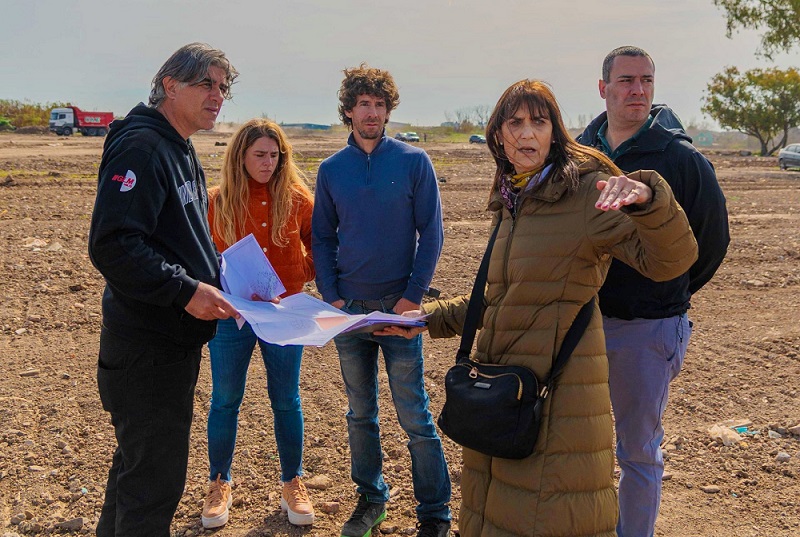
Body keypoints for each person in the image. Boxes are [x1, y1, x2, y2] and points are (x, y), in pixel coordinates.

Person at [383, 79, 699, 537]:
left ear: (555, 131)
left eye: (539, 121)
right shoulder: (512, 199)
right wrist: (430, 318)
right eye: (515, 123)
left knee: (549, 516)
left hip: (558, 397)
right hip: (501, 392)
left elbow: (671, 261)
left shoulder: (585, 191)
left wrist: (649, 201)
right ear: (498, 135)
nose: (527, 133)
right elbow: (499, 297)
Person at [577, 46, 730, 537]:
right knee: (577, 447)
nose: (637, 90)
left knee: (638, 451)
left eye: (645, 80)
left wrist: (667, 289)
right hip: (582, 326)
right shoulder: (580, 155)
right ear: (603, 89)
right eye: (626, 80)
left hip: (647, 328)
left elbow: (711, 241)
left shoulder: (681, 160)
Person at [88, 43, 239, 537]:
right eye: (206, 84)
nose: (217, 96)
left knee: (136, 474)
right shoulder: (144, 147)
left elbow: (178, 238)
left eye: (223, 87)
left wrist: (227, 278)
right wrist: (186, 291)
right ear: (170, 86)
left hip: (167, 346)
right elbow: (113, 244)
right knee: (153, 485)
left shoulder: (179, 145)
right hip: (146, 349)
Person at [311, 63, 452, 537]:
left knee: (415, 415)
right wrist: (332, 296)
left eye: (379, 104)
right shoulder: (331, 170)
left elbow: (431, 233)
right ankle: (371, 500)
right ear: (348, 111)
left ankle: (434, 514)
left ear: (388, 111)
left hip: (399, 310)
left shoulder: (414, 162)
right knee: (360, 414)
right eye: (363, 104)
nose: (371, 112)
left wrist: (412, 297)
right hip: (349, 313)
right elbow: (322, 238)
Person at [200, 119, 316, 529]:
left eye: (275, 155)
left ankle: (292, 482)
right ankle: (219, 482)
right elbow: (203, 257)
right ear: (240, 157)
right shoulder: (215, 201)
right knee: (225, 398)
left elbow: (320, 250)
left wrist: (295, 275)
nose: (268, 163)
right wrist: (227, 291)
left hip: (284, 316)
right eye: (259, 155)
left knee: (286, 399)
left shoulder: (299, 199)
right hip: (232, 317)